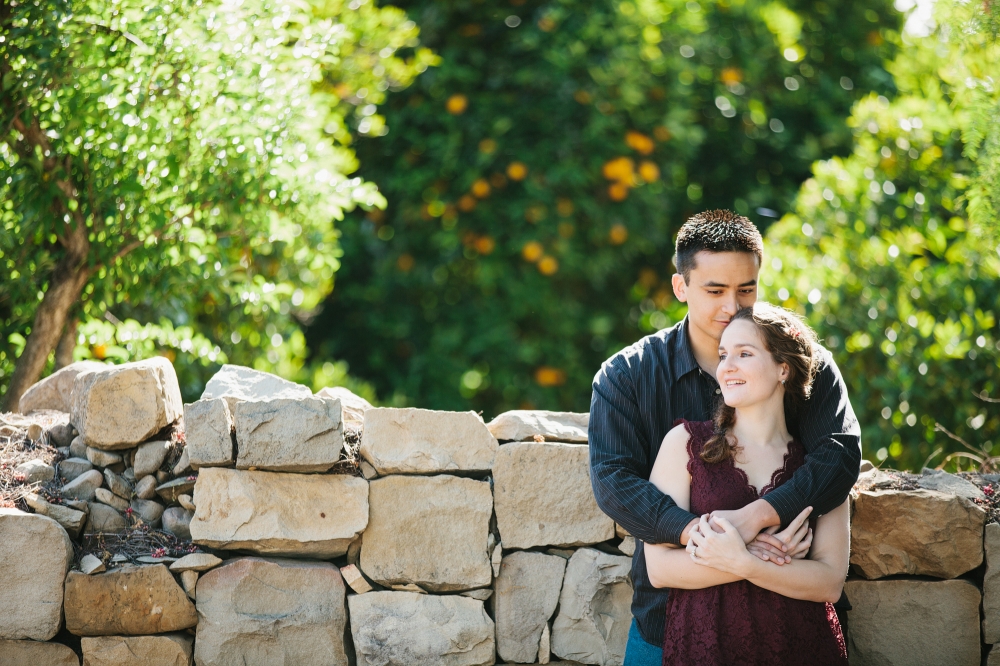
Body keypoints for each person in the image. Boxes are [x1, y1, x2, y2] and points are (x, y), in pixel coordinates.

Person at [588, 209, 860, 664]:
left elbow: (839, 456)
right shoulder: (628, 376)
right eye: (714, 290)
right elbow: (614, 481)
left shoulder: (801, 364)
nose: (732, 306)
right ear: (681, 287)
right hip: (668, 626)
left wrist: (753, 519)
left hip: (795, 628)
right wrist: (710, 536)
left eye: (746, 290)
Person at [646, 302, 849, 664]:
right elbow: (659, 568)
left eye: (744, 353)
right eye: (724, 355)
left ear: (783, 369)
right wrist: (756, 550)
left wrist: (745, 563)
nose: (727, 367)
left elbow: (830, 581)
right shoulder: (684, 444)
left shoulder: (818, 467)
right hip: (706, 643)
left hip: (798, 644)